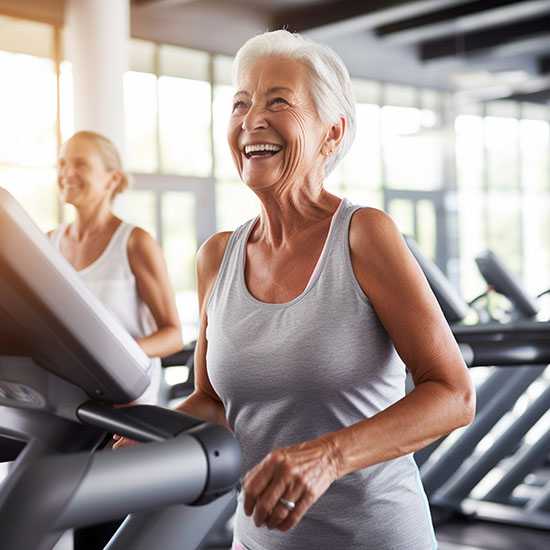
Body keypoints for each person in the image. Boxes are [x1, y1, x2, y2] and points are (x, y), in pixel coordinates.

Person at [117, 30, 475, 550]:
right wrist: (144, 430)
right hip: (258, 541)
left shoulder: (363, 234)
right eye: (241, 102)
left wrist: (327, 456)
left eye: (277, 101)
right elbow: (214, 403)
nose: (252, 118)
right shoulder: (217, 256)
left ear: (332, 132)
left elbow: (453, 395)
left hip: (374, 538)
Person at [52, 131, 183, 549]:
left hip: (126, 407)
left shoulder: (135, 242)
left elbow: (172, 333)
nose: (67, 173)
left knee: (106, 531)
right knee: (68, 524)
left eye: (80, 164)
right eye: (62, 163)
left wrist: (109, 353)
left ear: (112, 179)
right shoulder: (49, 242)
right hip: (69, 406)